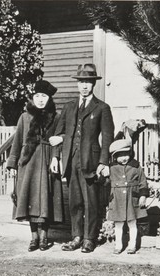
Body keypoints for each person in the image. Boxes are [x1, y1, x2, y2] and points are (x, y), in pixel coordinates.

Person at [49, 63, 114, 253]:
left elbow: (108, 136)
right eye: (81, 82)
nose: (84, 86)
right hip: (70, 161)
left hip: (91, 162)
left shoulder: (102, 108)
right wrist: (55, 158)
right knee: (75, 202)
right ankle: (76, 237)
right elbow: (57, 135)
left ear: (93, 84)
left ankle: (89, 238)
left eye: (88, 82)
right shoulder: (69, 107)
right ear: (77, 84)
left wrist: (103, 162)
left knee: (91, 202)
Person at [6, 80, 64, 252]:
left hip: (46, 161)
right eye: (37, 96)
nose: (40, 100)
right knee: (29, 198)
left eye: (44, 96)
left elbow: (58, 140)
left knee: (45, 199)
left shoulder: (56, 116)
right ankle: (33, 238)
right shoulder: (24, 117)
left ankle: (44, 237)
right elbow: (17, 142)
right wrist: (13, 164)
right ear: (32, 98)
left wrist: (55, 158)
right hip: (28, 162)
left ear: (49, 98)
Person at [104, 139, 149, 254]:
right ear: (114, 157)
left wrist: (143, 196)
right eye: (120, 155)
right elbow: (105, 184)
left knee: (132, 223)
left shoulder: (135, 166)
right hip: (117, 200)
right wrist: (103, 175)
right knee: (118, 224)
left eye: (126, 154)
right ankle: (118, 245)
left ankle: (132, 245)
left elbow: (143, 182)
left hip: (131, 199)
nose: (124, 158)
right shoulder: (111, 168)